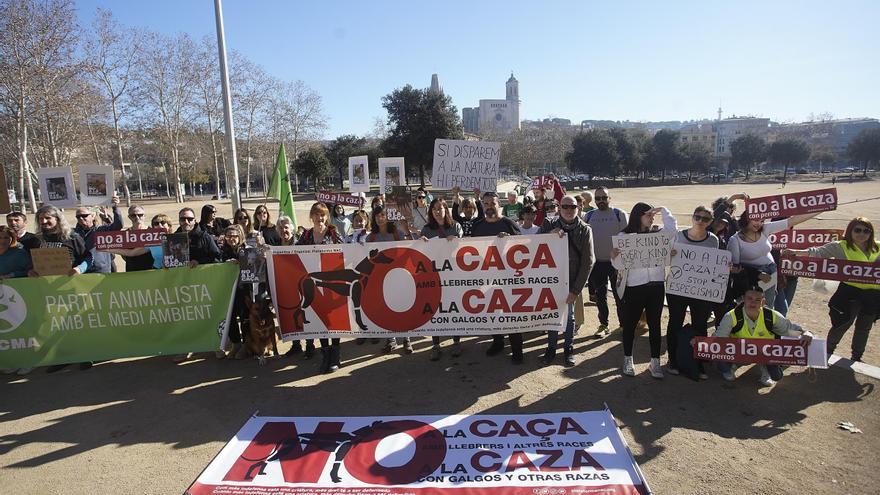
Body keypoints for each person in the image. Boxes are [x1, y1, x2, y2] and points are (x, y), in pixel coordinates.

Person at [784, 217, 878, 362]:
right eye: (857, 230)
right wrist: (795, 252)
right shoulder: (841, 246)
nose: (862, 234)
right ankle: (827, 352)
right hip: (850, 293)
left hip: (872, 296)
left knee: (864, 328)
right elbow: (818, 252)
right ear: (850, 231)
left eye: (866, 231)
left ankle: (857, 357)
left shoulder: (877, 247)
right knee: (841, 324)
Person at [611, 203, 676, 378]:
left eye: (652, 215)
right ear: (638, 215)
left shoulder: (657, 234)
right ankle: (627, 359)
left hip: (656, 285)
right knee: (630, 324)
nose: (651, 217)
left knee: (655, 324)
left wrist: (663, 209)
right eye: (648, 214)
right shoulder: (624, 236)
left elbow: (672, 229)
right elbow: (617, 265)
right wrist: (614, 257)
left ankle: (655, 362)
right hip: (634, 286)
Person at [30, 205, 92, 373]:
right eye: (40, 219)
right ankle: (63, 357)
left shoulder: (72, 236)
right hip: (48, 289)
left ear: (57, 218)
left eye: (47, 218)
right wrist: (32, 270)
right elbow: (33, 261)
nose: (44, 221)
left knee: (76, 321)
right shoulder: (37, 239)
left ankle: (86, 356)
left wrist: (80, 269)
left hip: (71, 286)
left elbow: (88, 256)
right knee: (55, 323)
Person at [714, 285, 813, 386]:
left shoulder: (772, 316)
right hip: (738, 351)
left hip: (765, 352)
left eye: (757, 300)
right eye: (749, 298)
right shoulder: (731, 316)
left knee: (776, 375)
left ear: (763, 302)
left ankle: (766, 368)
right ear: (743, 299)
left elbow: (790, 331)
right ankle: (732, 365)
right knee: (721, 365)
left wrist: (805, 333)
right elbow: (719, 338)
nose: (753, 302)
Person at [539, 196, 594, 367]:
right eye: (565, 206)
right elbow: (532, 245)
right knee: (551, 314)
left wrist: (576, 290)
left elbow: (588, 261)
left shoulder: (585, 230)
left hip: (571, 280)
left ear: (578, 207)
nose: (569, 210)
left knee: (569, 317)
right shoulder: (549, 224)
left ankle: (568, 347)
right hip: (551, 278)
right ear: (559, 207)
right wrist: (549, 236)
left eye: (572, 206)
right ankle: (551, 348)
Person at [666, 206, 719, 377]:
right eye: (698, 217)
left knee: (700, 325)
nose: (700, 221)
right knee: (675, 323)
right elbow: (666, 259)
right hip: (677, 288)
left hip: (701, 290)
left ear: (710, 222)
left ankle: (698, 362)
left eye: (705, 219)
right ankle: (673, 359)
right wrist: (670, 255)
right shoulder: (678, 236)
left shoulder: (713, 240)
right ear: (692, 217)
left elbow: (713, 264)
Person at [471, 192, 524, 364]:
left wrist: (510, 241)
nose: (488, 206)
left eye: (491, 203)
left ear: (498, 204)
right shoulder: (477, 226)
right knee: (492, 311)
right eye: (485, 203)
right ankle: (498, 341)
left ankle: (517, 349)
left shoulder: (509, 224)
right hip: (487, 277)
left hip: (509, 278)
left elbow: (525, 248)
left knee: (511, 313)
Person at [727, 210, 819, 308]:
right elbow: (734, 269)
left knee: (767, 307)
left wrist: (821, 208)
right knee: (752, 308)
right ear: (746, 219)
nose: (759, 223)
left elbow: (791, 221)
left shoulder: (764, 229)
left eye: (762, 221)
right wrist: (758, 274)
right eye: (756, 220)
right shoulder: (735, 240)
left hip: (771, 274)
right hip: (752, 280)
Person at [297, 202, 346, 372]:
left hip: (331, 284)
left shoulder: (333, 233)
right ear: (311, 217)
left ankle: (335, 354)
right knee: (320, 319)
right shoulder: (307, 235)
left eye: (323, 214)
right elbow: (292, 253)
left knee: (333, 319)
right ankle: (325, 355)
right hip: (314, 284)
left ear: (327, 217)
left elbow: (346, 250)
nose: (320, 218)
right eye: (317, 214)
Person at [363, 205, 414, 354]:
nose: (380, 218)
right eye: (377, 216)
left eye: (383, 215)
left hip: (398, 276)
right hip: (380, 280)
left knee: (402, 308)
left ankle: (407, 339)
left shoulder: (397, 233)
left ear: (388, 217)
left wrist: (407, 231)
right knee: (385, 309)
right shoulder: (370, 237)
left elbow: (410, 246)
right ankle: (391, 340)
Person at [420, 198, 464, 360]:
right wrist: (421, 243)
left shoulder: (455, 226)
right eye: (434, 209)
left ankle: (456, 342)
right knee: (435, 309)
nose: (437, 211)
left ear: (446, 209)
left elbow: (465, 248)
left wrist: (456, 242)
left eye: (440, 208)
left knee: (453, 308)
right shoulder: (426, 230)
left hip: (453, 275)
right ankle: (436, 345)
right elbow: (422, 255)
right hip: (434, 275)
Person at [585, 187, 628, 337]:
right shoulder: (589, 216)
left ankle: (624, 325)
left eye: (604, 197)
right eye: (598, 198)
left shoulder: (619, 214)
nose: (601, 200)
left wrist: (622, 264)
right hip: (597, 264)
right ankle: (604, 325)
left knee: (620, 296)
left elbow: (627, 240)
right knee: (600, 297)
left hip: (616, 264)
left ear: (610, 198)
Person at [220, 225, 250, 359]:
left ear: (240, 237)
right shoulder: (222, 251)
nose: (232, 239)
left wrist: (239, 262)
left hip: (243, 290)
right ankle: (236, 344)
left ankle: (246, 345)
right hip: (226, 290)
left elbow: (254, 265)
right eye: (229, 236)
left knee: (245, 318)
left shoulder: (246, 250)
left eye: (234, 236)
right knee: (230, 318)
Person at [74, 196, 124, 273]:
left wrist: (115, 206)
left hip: (101, 270)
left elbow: (118, 225)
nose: (81, 218)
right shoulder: (74, 234)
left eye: (84, 216)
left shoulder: (101, 230)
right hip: (81, 271)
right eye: (78, 216)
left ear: (93, 216)